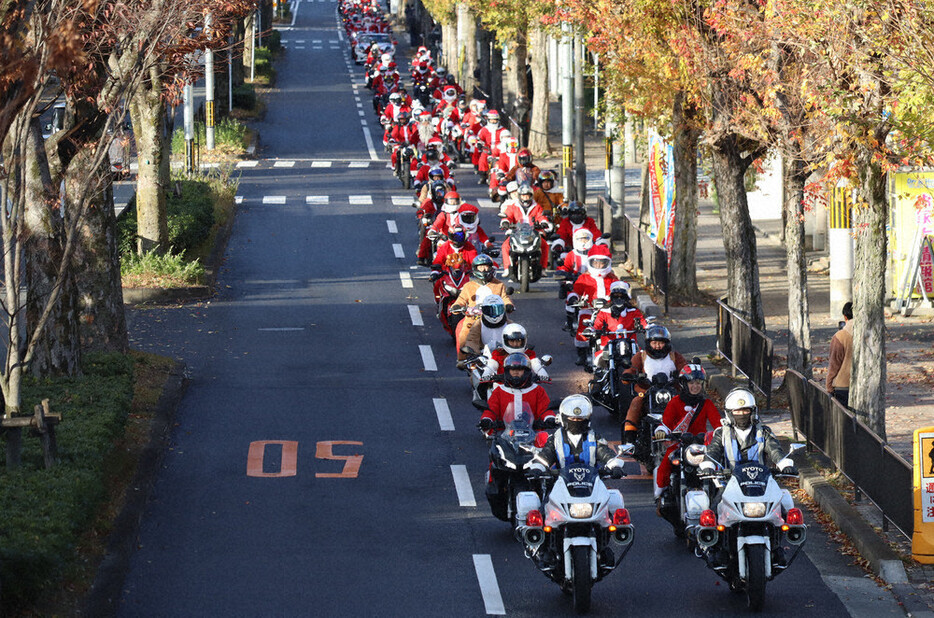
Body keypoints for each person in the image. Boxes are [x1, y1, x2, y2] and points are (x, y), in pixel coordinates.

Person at [699, 388, 796, 510]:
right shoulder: (722, 433)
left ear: (753, 412)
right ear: (730, 413)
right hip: (730, 483)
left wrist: (785, 465)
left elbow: (775, 450)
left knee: (782, 513)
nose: (742, 415)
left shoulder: (763, 432)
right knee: (714, 513)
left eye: (746, 411)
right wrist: (709, 465)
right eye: (737, 412)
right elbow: (713, 450)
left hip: (762, 483)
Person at [653, 364, 721, 500]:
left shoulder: (706, 403)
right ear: (684, 384)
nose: (695, 386)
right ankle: (660, 495)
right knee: (665, 466)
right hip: (679, 443)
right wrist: (662, 431)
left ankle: (719, 493)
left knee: (719, 465)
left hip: (702, 445)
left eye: (698, 383)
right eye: (691, 383)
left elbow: (718, 425)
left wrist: (721, 433)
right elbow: (665, 423)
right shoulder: (674, 402)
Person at [621, 325, 688, 447]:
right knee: (636, 402)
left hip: (671, 391)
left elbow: (685, 368)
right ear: (648, 343)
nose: (657, 346)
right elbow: (630, 369)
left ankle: (689, 434)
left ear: (667, 343)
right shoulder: (640, 356)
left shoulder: (675, 356)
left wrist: (688, 374)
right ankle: (629, 437)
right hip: (646, 391)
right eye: (654, 343)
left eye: (661, 343)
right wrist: (628, 376)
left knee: (687, 405)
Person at [527, 394, 626, 475]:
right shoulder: (555, 439)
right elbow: (546, 455)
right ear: (564, 419)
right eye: (572, 419)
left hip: (593, 482)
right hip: (560, 483)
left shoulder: (594, 438)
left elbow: (606, 453)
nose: (576, 422)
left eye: (580, 419)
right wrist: (537, 467)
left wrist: (615, 466)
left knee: (614, 496)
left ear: (587, 420)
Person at [452, 255, 514, 357]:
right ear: (475, 269)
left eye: (486, 266)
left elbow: (505, 298)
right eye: (480, 267)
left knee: (514, 330)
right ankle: (463, 359)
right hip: (474, 318)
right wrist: (457, 306)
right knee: (464, 334)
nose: (483, 269)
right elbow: (461, 300)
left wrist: (508, 305)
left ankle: (516, 356)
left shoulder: (499, 285)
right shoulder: (468, 286)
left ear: (491, 267)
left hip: (497, 317)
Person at [567, 244, 619, 367]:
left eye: (602, 263)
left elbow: (619, 288)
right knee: (582, 325)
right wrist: (573, 297)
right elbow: (576, 290)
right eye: (596, 263)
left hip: (607, 310)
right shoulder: (584, 277)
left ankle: (611, 349)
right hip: (589, 308)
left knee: (614, 327)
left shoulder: (612, 278)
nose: (599, 266)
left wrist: (620, 296)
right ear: (591, 262)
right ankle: (582, 353)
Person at [479, 353, 554, 432]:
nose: (516, 372)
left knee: (547, 441)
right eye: (512, 369)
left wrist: (550, 418)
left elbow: (545, 409)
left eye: (520, 369)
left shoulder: (537, 390)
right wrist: (486, 419)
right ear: (507, 371)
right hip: (504, 435)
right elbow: (491, 410)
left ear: (526, 371)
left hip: (533, 434)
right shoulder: (499, 391)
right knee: (494, 443)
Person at [590, 281, 648, 369]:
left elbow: (643, 322)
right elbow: (597, 325)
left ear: (626, 298)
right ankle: (600, 379)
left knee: (643, 363)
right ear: (611, 297)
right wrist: (593, 331)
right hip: (607, 346)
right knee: (600, 363)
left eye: (621, 296)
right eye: (616, 296)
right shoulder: (603, 312)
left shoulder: (633, 311)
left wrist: (649, 328)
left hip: (630, 345)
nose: (619, 299)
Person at [481, 323, 549, 382]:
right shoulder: (499, 353)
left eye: (518, 341)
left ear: (524, 341)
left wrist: (541, 372)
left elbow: (535, 363)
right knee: (490, 394)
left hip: (525, 385)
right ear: (505, 340)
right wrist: (487, 373)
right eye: (512, 341)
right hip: (501, 386)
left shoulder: (528, 353)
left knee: (539, 393)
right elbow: (492, 364)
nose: (515, 344)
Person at [826, 301, 854, 407]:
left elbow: (834, 364)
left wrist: (829, 386)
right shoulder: (869, 333)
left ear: (845, 317)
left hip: (843, 386)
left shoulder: (840, 336)